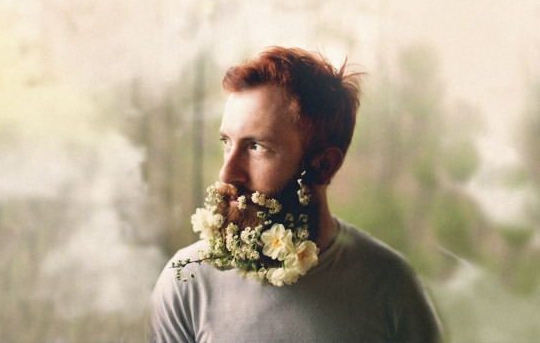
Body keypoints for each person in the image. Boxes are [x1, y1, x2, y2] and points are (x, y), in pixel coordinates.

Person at [148, 47, 442, 343]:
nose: (227, 173)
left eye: (256, 147)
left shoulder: (391, 285)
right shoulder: (188, 281)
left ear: (324, 165)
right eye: (227, 142)